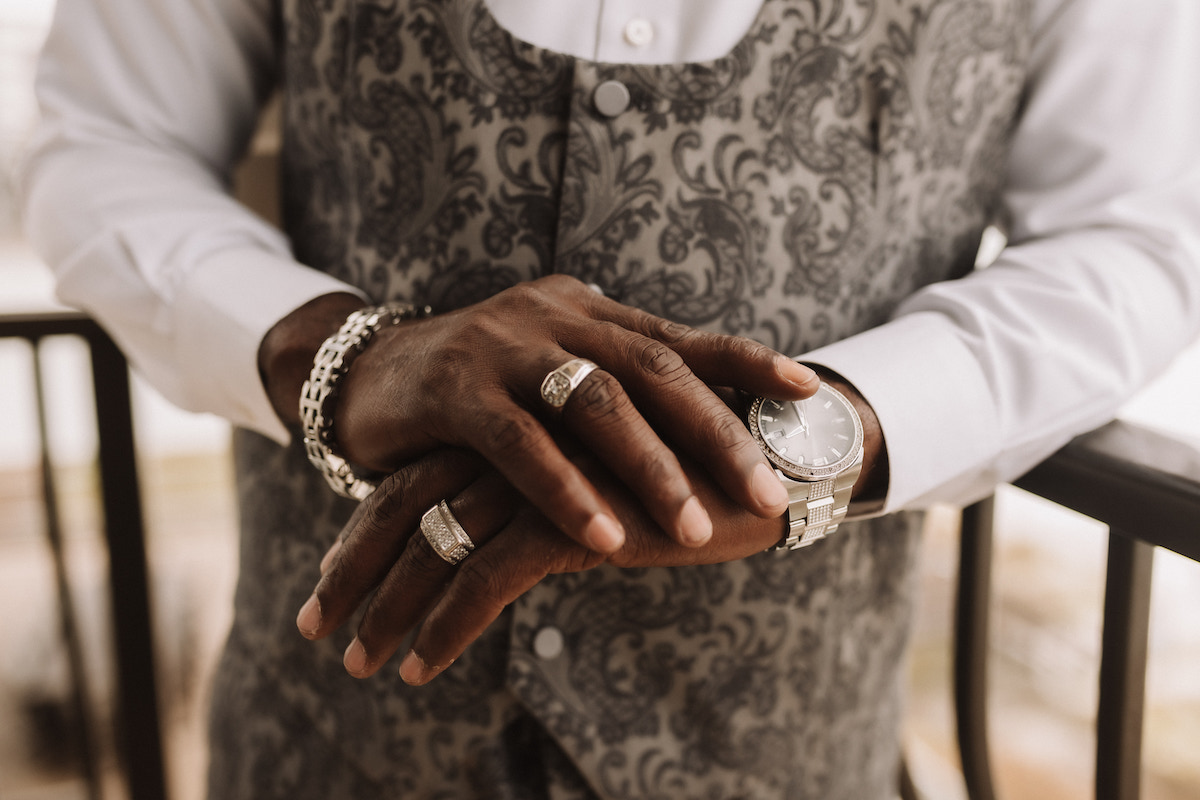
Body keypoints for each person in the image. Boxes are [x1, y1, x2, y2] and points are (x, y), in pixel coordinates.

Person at [21, 0, 1200, 797]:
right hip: (325, 737)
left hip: (786, 745)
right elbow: (103, 141)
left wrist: (831, 432)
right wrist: (345, 356)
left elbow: (1136, 233)